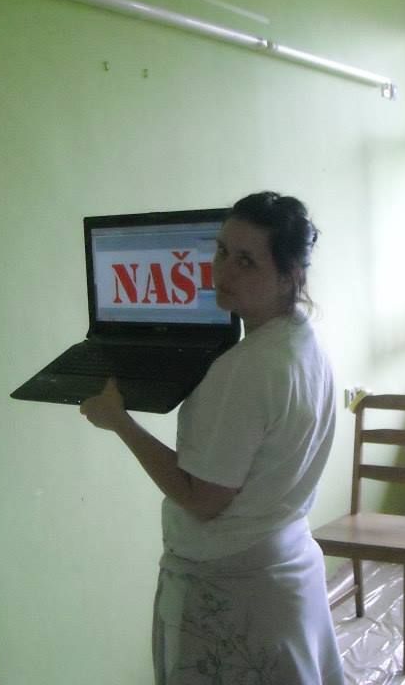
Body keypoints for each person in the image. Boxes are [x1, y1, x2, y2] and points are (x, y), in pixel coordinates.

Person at [80, 192, 344, 685]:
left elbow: (203, 500)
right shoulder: (302, 340)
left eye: (246, 261)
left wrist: (120, 422)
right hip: (284, 566)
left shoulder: (246, 369)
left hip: (234, 588)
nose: (222, 271)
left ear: (289, 276)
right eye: (221, 251)